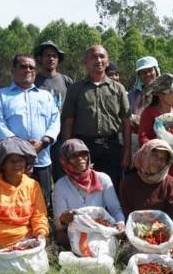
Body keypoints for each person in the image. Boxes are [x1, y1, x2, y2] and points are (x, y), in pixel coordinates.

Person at [0, 54, 60, 215]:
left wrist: (44, 141)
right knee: (14, 205)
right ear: (13, 70)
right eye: (23, 66)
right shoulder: (2, 95)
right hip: (12, 162)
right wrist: (20, 148)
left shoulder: (46, 96)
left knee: (42, 203)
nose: (27, 69)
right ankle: (15, 237)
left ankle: (42, 238)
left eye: (31, 67)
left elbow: (55, 121)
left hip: (41, 159)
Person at [61, 45, 131, 190]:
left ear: (107, 60)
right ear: (85, 62)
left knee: (111, 189)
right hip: (83, 148)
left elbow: (126, 122)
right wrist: (68, 151)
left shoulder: (118, 89)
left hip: (111, 147)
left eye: (102, 56)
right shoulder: (75, 89)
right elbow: (68, 121)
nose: (98, 60)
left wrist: (127, 152)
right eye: (93, 57)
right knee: (84, 189)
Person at [0, 138, 49, 257]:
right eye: (12, 161)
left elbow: (39, 217)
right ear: (2, 165)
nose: (17, 164)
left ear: (26, 163)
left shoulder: (33, 185)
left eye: (20, 160)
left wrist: (40, 235)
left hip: (28, 242)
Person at [52, 139, 125, 247]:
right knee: (60, 237)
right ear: (65, 161)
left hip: (99, 227)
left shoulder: (103, 178)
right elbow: (59, 225)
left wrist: (120, 223)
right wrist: (63, 220)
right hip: (75, 230)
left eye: (84, 154)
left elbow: (115, 208)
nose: (80, 159)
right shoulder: (61, 185)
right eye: (74, 156)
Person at [137, 74, 173, 192]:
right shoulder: (149, 113)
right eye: (172, 91)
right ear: (160, 94)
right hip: (157, 168)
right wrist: (162, 150)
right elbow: (143, 139)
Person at [33, 41, 73, 183]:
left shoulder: (66, 81)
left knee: (62, 178)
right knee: (39, 179)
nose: (51, 59)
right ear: (39, 59)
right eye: (47, 56)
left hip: (61, 138)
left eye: (54, 56)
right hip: (39, 139)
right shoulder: (33, 81)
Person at [119, 139, 173, 225]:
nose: (158, 162)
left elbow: (172, 216)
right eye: (155, 156)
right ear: (145, 155)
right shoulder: (127, 183)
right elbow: (126, 213)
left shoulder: (170, 183)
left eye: (163, 159)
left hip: (161, 233)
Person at [128, 56, 160, 148]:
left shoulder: (165, 93)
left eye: (150, 70)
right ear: (139, 75)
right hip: (136, 140)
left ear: (156, 71)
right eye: (143, 72)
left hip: (157, 140)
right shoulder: (132, 95)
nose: (147, 74)